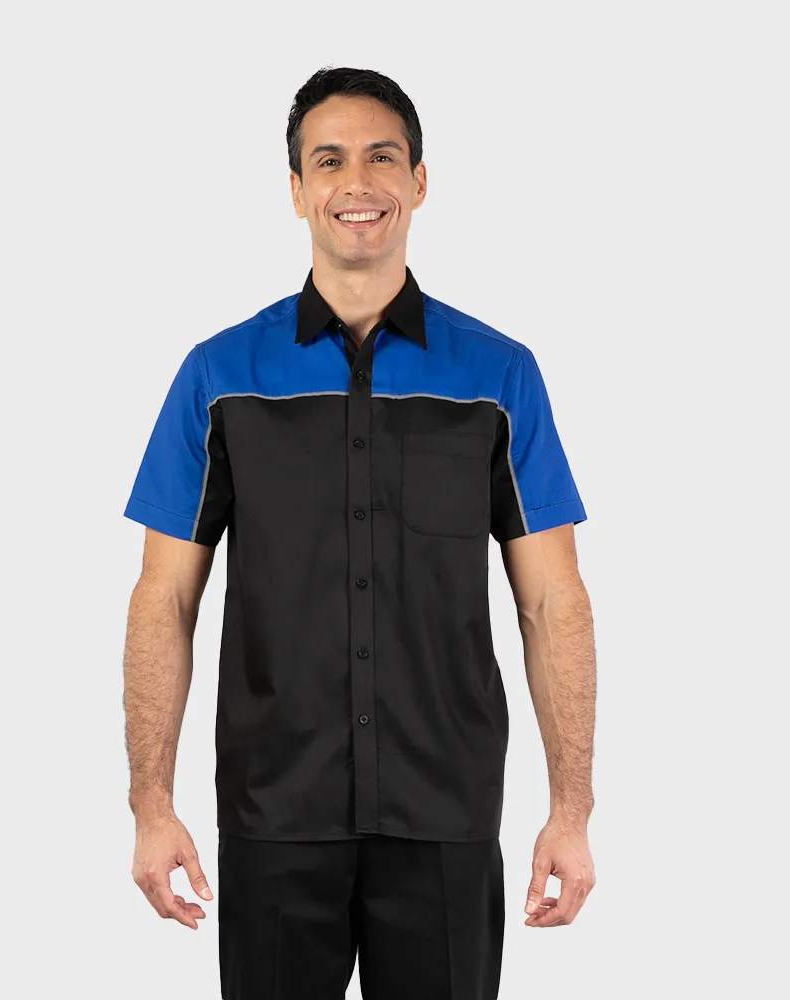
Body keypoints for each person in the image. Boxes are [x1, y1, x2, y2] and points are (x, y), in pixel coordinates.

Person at [121, 65, 597, 1000]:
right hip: (273, 812)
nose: (358, 182)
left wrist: (571, 809)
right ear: (297, 190)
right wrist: (150, 803)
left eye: (382, 157)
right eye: (329, 160)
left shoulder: (500, 377)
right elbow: (162, 599)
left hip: (446, 814)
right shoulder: (217, 377)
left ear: (419, 180)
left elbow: (553, 601)